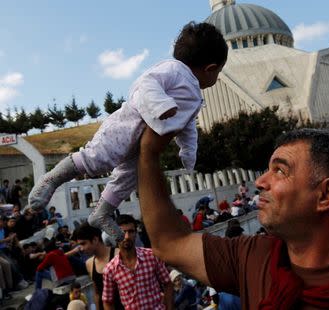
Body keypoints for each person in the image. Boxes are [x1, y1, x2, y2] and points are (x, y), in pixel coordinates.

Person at [137, 127, 329, 309]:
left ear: (326, 195)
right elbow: (168, 243)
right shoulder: (253, 257)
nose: (260, 182)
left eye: (280, 170)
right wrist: (148, 154)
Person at [28, 21, 228, 241]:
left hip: (143, 142)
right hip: (127, 125)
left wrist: (188, 153)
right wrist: (161, 105)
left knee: (129, 177)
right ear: (210, 68)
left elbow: (188, 126)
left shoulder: (195, 97)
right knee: (98, 159)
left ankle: (101, 212)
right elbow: (146, 85)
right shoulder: (173, 69)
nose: (216, 78)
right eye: (218, 72)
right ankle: (52, 179)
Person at [102, 214, 174, 309]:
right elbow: (107, 301)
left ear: (136, 233)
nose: (127, 236)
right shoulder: (110, 269)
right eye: (122, 232)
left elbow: (167, 283)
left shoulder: (151, 256)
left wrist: (169, 308)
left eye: (131, 231)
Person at [74, 223, 123, 310]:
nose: (81, 248)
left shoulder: (118, 255)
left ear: (95, 240)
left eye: (83, 244)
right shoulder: (89, 263)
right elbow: (96, 293)